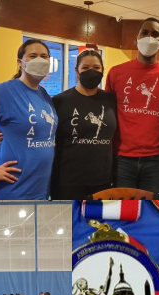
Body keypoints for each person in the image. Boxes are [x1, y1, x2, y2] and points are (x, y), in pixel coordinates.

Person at [105, 17, 159, 199]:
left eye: (155, 34)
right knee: (122, 208)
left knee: (155, 208)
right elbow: (107, 115)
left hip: (155, 160)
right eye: (145, 33)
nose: (149, 37)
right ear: (136, 38)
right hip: (122, 158)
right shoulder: (116, 73)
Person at [0, 39, 57, 200]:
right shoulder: (3, 91)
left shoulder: (44, 95)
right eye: (33, 56)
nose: (39, 60)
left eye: (44, 56)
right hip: (13, 190)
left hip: (41, 190)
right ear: (20, 62)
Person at [51, 50, 117, 199]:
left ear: (102, 70)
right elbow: (45, 135)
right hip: (68, 181)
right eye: (85, 68)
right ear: (76, 71)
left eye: (96, 68)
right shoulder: (60, 101)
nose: (91, 71)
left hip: (103, 181)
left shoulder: (111, 101)